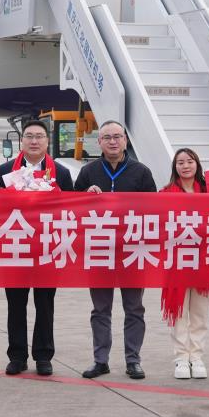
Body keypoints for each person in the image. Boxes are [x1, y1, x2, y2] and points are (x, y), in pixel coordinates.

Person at [75, 120, 156, 379]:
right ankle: (100, 360)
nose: (112, 141)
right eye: (107, 137)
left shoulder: (141, 172)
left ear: (125, 140)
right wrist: (85, 195)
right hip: (99, 250)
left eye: (117, 137)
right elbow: (72, 209)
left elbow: (153, 211)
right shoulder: (88, 172)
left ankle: (133, 360)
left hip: (131, 250)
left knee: (134, 308)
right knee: (100, 309)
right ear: (99, 142)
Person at [0, 119, 73, 376]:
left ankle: (43, 356)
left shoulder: (61, 173)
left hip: (47, 248)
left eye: (39, 136)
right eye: (29, 136)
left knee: (45, 304)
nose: (34, 141)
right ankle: (17, 356)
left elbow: (72, 209)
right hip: (15, 247)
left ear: (47, 141)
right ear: (21, 141)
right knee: (16, 304)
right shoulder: (5, 170)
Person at [161, 148, 209, 379]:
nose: (185, 166)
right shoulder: (165, 193)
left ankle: (196, 357)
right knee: (179, 312)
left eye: (190, 161)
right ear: (174, 167)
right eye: (180, 162)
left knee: (199, 312)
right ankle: (181, 358)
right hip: (177, 260)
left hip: (204, 259)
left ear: (197, 164)